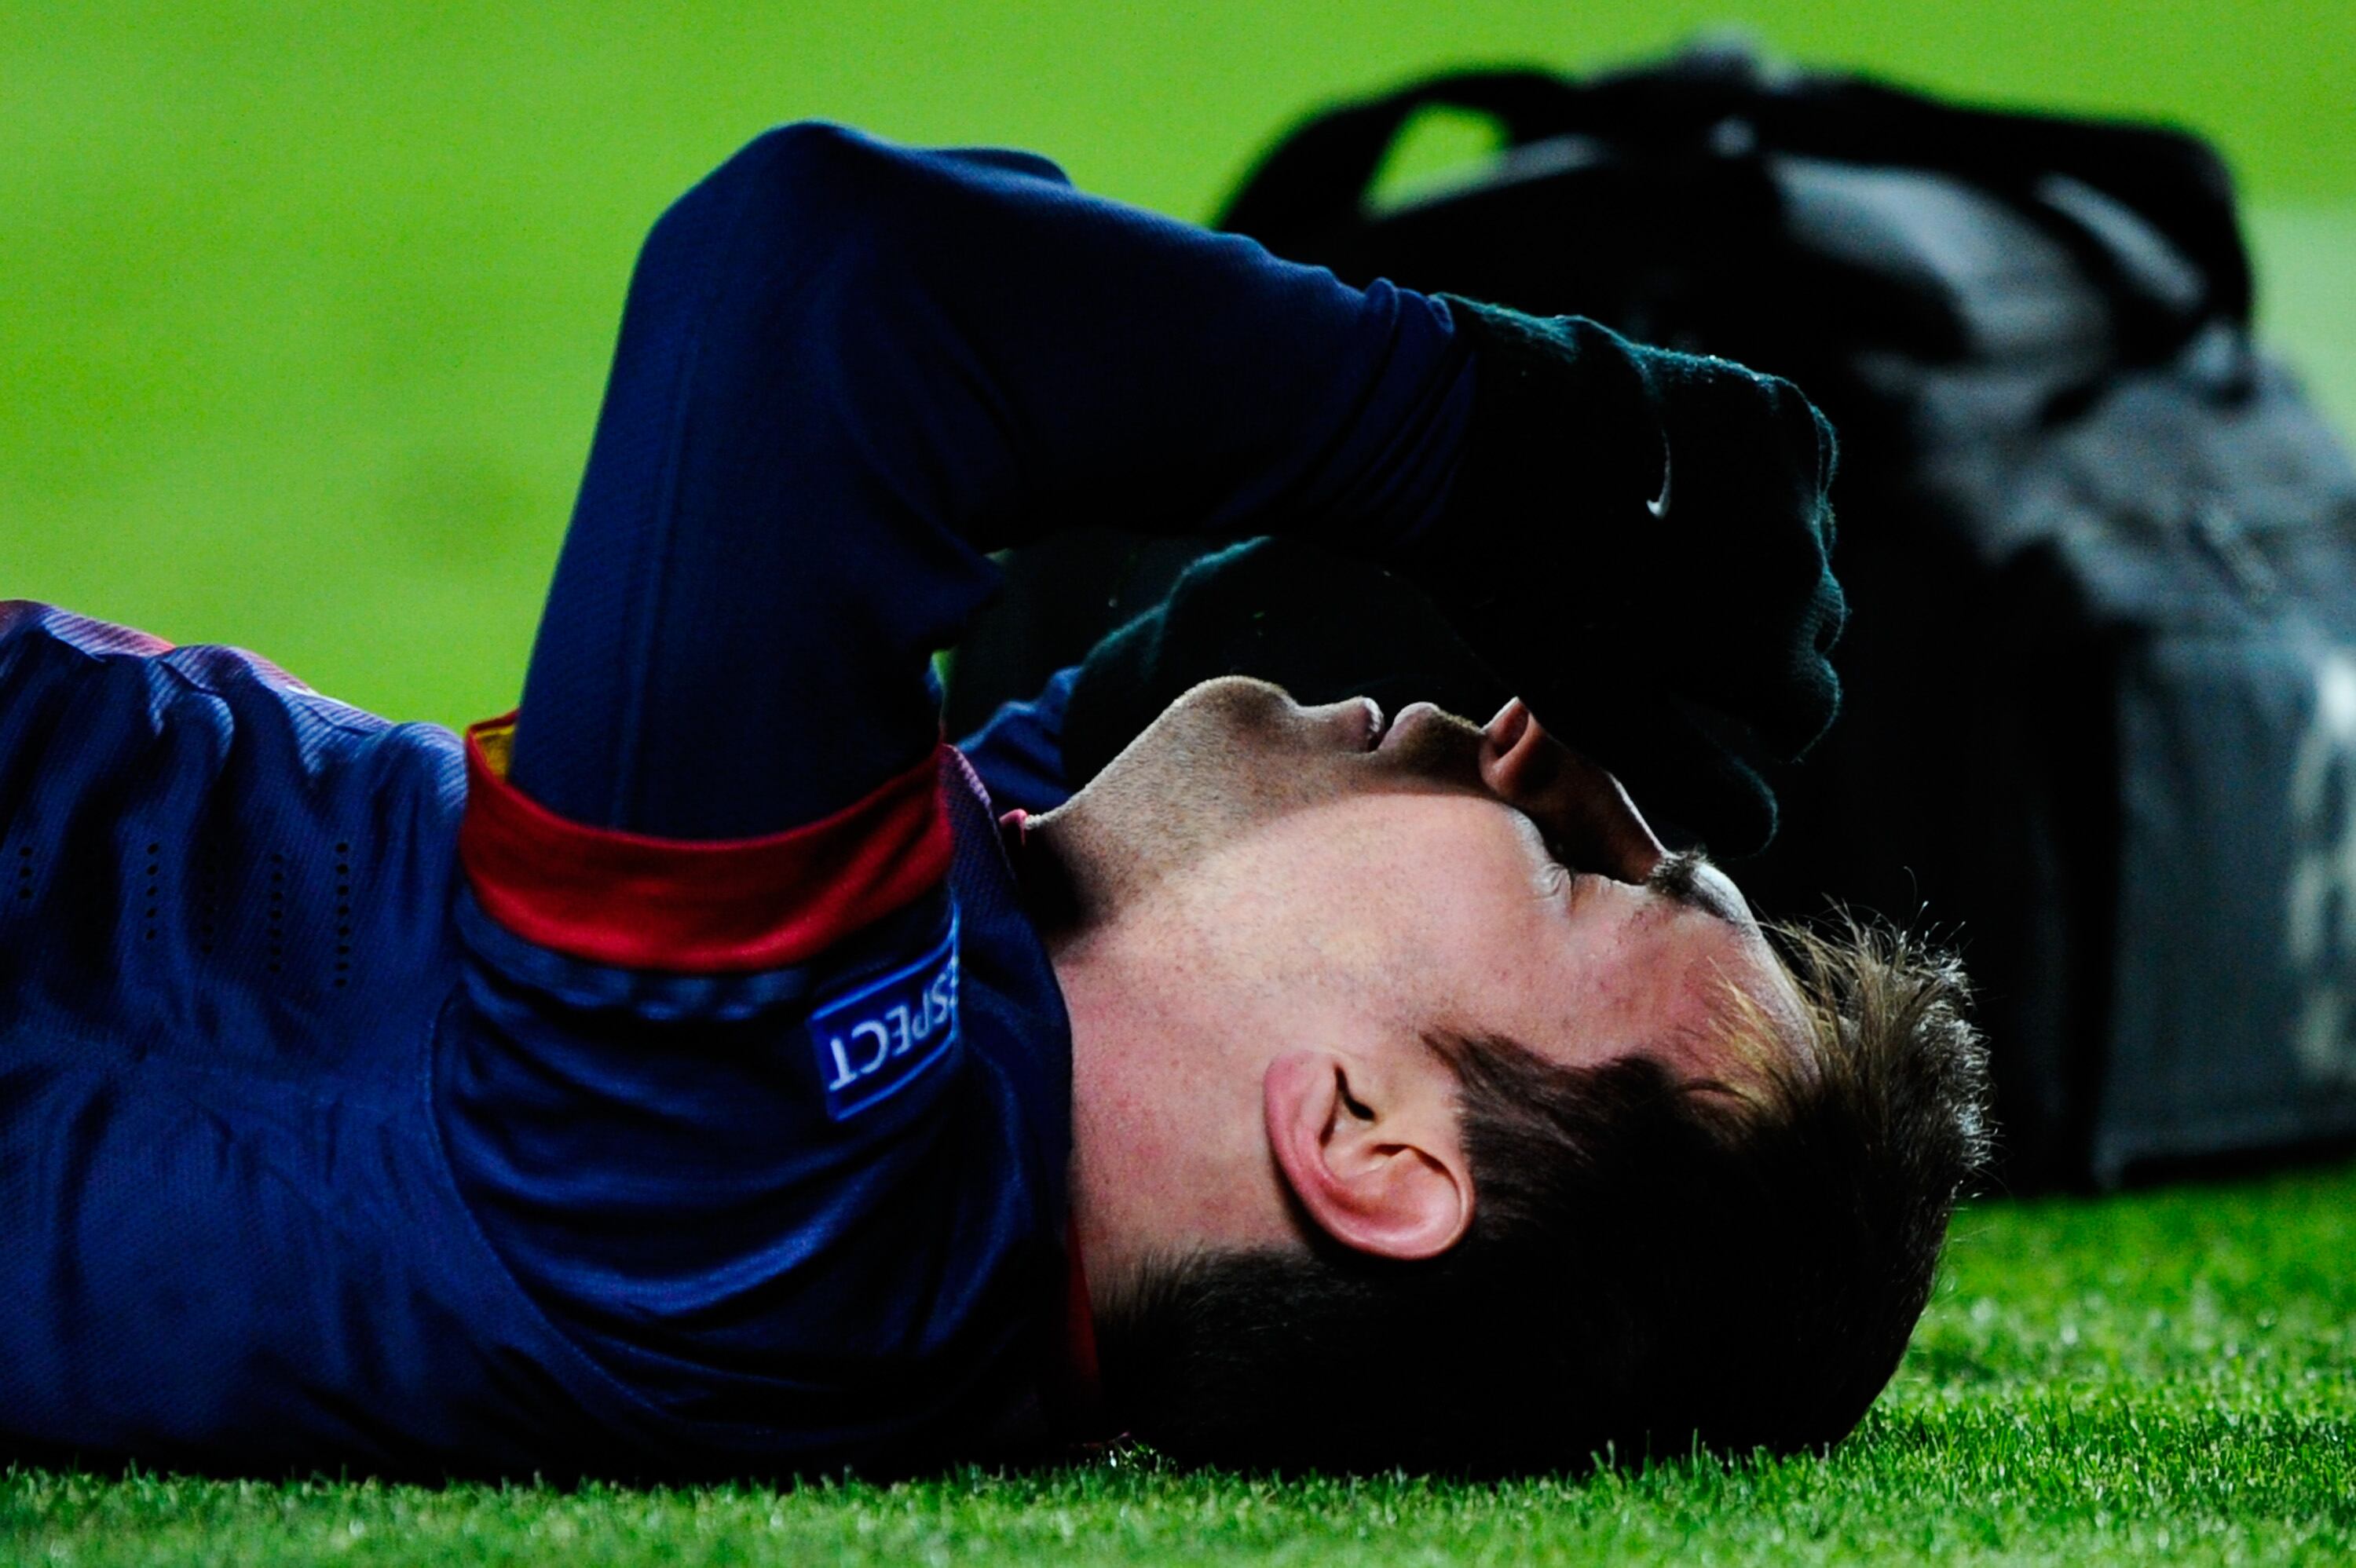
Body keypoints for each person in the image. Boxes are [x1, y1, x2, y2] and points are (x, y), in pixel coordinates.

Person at [0, 122, 1988, 1481]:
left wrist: (1514, 440)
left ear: (1372, 1143)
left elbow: (827, 288)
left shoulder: (779, 1197)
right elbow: (1109, 416)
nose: (1532, 757)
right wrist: (1611, 597)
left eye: (1580, 875)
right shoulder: (1009, 1047)